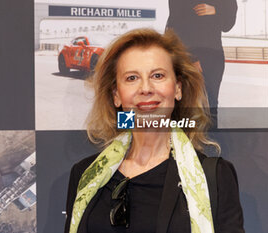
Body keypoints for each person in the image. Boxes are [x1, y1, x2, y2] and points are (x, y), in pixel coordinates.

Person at [64, 28, 244, 233]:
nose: (146, 88)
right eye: (132, 78)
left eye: (157, 75)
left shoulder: (215, 176)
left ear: (177, 88)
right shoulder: (84, 175)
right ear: (116, 94)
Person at [166, 0, 238, 125]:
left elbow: (228, 24)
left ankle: (212, 140)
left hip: (214, 55)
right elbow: (175, 24)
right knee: (187, 103)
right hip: (187, 54)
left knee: (211, 102)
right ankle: (186, 141)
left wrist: (216, 10)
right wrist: (192, 58)